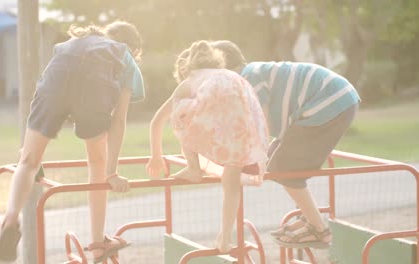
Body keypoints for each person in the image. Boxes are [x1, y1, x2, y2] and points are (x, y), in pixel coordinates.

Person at [0, 21, 145, 263]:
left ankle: (10, 220)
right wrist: (112, 172)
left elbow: (57, 87)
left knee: (29, 160)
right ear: (133, 48)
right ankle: (97, 244)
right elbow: (120, 119)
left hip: (54, 81)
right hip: (93, 89)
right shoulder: (123, 55)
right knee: (97, 161)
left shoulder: (73, 44)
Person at [213, 40, 361, 249]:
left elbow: (260, 122)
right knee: (277, 158)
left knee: (283, 168)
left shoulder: (247, 79)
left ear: (222, 70)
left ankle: (319, 230)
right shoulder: (253, 73)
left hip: (328, 101)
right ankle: (309, 218)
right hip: (330, 99)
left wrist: (243, 158)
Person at [146, 40, 269, 253]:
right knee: (231, 187)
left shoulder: (190, 82)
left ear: (186, 70)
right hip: (241, 135)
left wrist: (156, 157)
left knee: (183, 113)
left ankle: (193, 167)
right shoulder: (232, 76)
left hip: (222, 132)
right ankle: (224, 238)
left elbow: (157, 122)